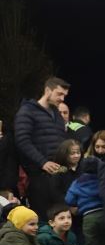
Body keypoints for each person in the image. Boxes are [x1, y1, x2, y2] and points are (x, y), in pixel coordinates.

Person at [13, 76, 70, 219]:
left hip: (59, 176)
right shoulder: (27, 111)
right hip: (38, 177)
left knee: (62, 219)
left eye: (65, 95)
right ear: (47, 90)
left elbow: (61, 140)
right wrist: (42, 162)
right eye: (59, 94)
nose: (62, 98)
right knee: (44, 220)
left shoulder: (57, 114)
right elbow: (22, 140)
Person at [65, 157, 105, 245]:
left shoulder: (77, 182)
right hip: (104, 213)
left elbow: (69, 199)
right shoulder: (102, 179)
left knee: (90, 244)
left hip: (88, 216)